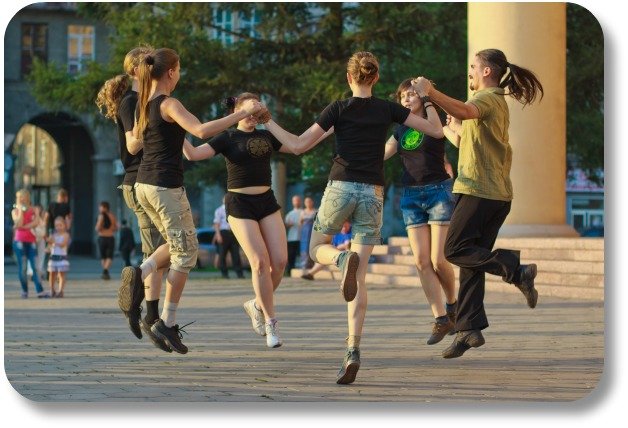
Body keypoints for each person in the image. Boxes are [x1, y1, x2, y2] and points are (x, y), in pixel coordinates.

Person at [264, 51, 444, 384]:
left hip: (341, 187)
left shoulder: (338, 108)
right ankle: (352, 350)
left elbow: (300, 144)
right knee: (358, 279)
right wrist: (427, 96)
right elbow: (435, 130)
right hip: (373, 193)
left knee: (316, 247)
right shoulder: (389, 109)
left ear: (349, 78)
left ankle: (339, 257)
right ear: (375, 78)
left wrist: (267, 121)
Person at [118, 48, 263, 354]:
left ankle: (141, 273)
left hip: (144, 183)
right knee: (187, 252)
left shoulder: (144, 102)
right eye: (180, 69)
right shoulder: (169, 103)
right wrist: (239, 114)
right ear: (170, 72)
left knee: (174, 244)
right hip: (164, 185)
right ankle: (166, 321)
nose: (180, 74)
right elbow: (200, 130)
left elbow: (142, 143)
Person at [413, 48, 543, 359]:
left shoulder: (485, 99)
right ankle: (469, 329)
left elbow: (466, 110)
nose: (470, 71)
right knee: (472, 262)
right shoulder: (494, 104)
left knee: (453, 250)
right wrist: (452, 130)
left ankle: (516, 269)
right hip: (494, 195)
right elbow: (471, 140)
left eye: (474, 67)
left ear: (486, 72)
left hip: (477, 192)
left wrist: (430, 92)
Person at [182, 92, 288, 349]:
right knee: (260, 262)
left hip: (267, 201)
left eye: (256, 110)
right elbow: (193, 155)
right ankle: (271, 322)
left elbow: (297, 146)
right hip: (239, 204)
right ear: (237, 112)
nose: (252, 116)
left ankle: (255, 304)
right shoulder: (228, 136)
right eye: (247, 110)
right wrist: (175, 132)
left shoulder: (266, 135)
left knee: (280, 262)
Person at [96, 45, 171, 352]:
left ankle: (147, 313)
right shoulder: (130, 102)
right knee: (172, 246)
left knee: (159, 253)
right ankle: (142, 307)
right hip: (139, 181)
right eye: (149, 63)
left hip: (148, 180)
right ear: (138, 70)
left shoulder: (144, 100)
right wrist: (158, 123)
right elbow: (134, 144)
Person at [383, 78, 458, 345]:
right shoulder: (400, 129)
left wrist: (428, 99)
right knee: (421, 261)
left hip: (438, 191)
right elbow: (382, 154)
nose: (406, 98)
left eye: (412, 94)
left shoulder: (431, 117)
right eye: (403, 95)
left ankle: (453, 304)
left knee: (439, 260)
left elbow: (438, 132)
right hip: (411, 196)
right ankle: (440, 318)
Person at [11, 189, 49, 298]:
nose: (22, 199)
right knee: (22, 268)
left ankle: (39, 291)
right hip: (19, 242)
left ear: (27, 197)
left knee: (36, 267)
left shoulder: (34, 210)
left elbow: (36, 223)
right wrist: (21, 210)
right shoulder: (15, 211)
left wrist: (22, 227)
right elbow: (18, 222)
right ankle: (24, 290)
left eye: (23, 197)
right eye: (20, 197)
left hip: (31, 241)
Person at [213, 196, 244, 279]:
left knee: (236, 254)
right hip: (224, 233)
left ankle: (239, 273)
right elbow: (216, 224)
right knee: (222, 254)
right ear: (222, 200)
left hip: (233, 233)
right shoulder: (219, 210)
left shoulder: (234, 209)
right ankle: (224, 274)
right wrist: (218, 235)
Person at [47, 216, 70, 298]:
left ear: (64, 225)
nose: (58, 227)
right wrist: (48, 244)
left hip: (62, 257)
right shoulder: (53, 234)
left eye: (60, 225)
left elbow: (63, 244)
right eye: (56, 225)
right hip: (53, 257)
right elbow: (50, 245)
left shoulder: (66, 235)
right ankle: (52, 290)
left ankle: (60, 291)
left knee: (61, 275)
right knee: (51, 274)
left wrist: (53, 242)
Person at [94, 201, 118, 280]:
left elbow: (97, 228)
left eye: (100, 207)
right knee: (109, 256)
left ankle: (105, 270)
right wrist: (111, 229)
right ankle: (106, 271)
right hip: (111, 238)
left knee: (103, 256)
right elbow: (116, 227)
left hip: (102, 238)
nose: (99, 208)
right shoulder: (112, 216)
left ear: (104, 207)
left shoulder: (101, 216)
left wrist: (99, 228)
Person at [27, 204, 47, 283]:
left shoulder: (42, 218)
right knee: (32, 256)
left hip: (41, 239)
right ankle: (32, 272)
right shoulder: (31, 217)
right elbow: (30, 227)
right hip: (32, 239)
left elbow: (43, 227)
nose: (37, 211)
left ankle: (39, 272)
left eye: (39, 210)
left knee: (41, 256)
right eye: (36, 209)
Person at [283, 195, 303, 273]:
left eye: (298, 200)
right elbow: (286, 224)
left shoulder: (303, 212)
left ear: (300, 201)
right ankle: (290, 271)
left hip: (302, 237)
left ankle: (301, 270)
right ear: (293, 202)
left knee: (302, 254)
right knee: (291, 255)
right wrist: (289, 225)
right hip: (292, 238)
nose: (296, 202)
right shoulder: (290, 214)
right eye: (295, 201)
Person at [299, 196, 317, 273]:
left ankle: (312, 265)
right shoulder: (302, 212)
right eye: (306, 202)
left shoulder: (316, 211)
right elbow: (300, 223)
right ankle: (304, 265)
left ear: (312, 202)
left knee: (312, 246)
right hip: (305, 232)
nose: (308, 203)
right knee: (304, 247)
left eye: (309, 201)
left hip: (313, 232)